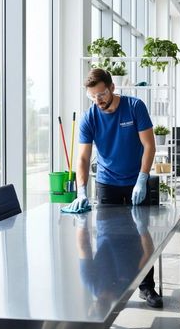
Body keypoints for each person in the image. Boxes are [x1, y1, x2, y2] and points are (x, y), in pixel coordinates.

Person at [69, 68, 162, 308]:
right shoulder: (90, 117)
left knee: (143, 233)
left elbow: (149, 146)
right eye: (92, 97)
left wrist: (142, 178)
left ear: (112, 87)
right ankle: (115, 282)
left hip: (136, 181)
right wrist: (81, 190)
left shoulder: (134, 107)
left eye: (100, 94)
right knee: (108, 236)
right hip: (107, 184)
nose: (97, 101)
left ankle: (147, 287)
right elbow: (82, 158)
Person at [76, 205, 154, 317]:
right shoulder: (121, 288)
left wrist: (142, 229)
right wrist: (81, 220)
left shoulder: (122, 289)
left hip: (128, 223)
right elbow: (83, 245)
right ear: (91, 307)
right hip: (114, 222)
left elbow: (148, 254)